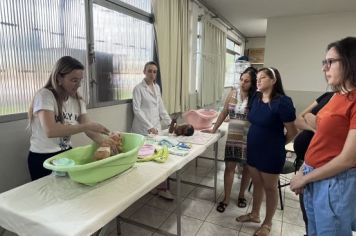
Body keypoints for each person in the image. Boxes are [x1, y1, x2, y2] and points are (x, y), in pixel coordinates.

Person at [290, 37, 356, 236]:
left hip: (334, 183)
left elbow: (348, 159)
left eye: (330, 62)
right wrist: (303, 170)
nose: (324, 68)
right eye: (323, 62)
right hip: (315, 176)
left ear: (350, 61)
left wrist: (305, 177)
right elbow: (320, 142)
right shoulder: (337, 96)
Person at [28, 56, 111, 181]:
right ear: (59, 78)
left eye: (80, 80)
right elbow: (50, 131)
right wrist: (87, 126)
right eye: (73, 80)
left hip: (66, 155)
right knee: (49, 198)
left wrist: (107, 143)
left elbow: (90, 130)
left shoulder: (77, 100)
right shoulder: (45, 95)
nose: (78, 85)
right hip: (43, 157)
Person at [236, 67, 297, 236]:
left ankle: (267, 223)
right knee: (257, 184)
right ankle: (255, 214)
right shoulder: (256, 97)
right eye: (258, 78)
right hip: (253, 150)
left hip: (271, 153)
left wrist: (277, 144)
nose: (259, 80)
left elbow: (292, 132)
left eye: (263, 77)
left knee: (270, 188)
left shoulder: (282, 102)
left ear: (273, 80)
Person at [204, 67, 257, 213]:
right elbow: (223, 112)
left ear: (253, 83)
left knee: (247, 169)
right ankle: (226, 198)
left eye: (247, 81)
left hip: (249, 139)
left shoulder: (256, 97)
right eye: (241, 79)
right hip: (233, 138)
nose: (243, 83)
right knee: (229, 168)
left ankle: (241, 195)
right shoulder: (233, 93)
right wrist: (214, 129)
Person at [131, 61, 173, 200]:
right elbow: (136, 110)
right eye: (149, 71)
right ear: (144, 72)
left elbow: (161, 108)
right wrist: (149, 126)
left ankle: (161, 188)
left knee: (160, 157)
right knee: (148, 159)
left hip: (156, 128)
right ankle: (153, 187)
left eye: (155, 71)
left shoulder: (157, 88)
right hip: (143, 129)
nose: (152, 74)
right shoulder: (138, 88)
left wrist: (171, 123)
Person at [293, 91, 333, 235]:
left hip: (324, 168)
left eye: (330, 66)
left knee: (324, 219)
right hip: (306, 163)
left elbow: (333, 134)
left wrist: (312, 119)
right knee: (308, 212)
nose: (326, 69)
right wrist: (316, 129)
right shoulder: (328, 95)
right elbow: (299, 119)